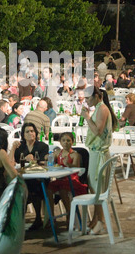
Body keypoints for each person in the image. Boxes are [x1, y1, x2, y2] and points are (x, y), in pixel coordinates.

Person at [82, 86, 117, 235]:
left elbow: (97, 131)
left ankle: (101, 222)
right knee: (94, 188)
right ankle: (96, 220)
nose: (86, 101)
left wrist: (87, 117)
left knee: (98, 189)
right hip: (95, 152)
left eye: (88, 98)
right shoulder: (98, 108)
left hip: (100, 154)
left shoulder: (102, 109)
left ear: (97, 96)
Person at [9, 122, 49, 231]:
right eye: (27, 131)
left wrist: (33, 160)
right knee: (18, 187)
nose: (30, 133)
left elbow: (43, 163)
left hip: (39, 177)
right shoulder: (19, 147)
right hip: (24, 177)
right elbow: (11, 162)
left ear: (35, 133)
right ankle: (20, 219)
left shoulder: (42, 146)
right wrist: (12, 148)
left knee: (32, 186)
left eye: (32, 131)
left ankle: (37, 219)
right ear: (23, 134)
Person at [47, 132, 88, 225]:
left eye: (68, 140)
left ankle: (69, 214)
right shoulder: (58, 153)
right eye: (63, 140)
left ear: (72, 142)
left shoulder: (75, 155)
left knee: (63, 191)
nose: (66, 143)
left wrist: (69, 164)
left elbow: (76, 169)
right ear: (60, 142)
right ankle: (51, 216)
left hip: (72, 180)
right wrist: (48, 157)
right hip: (60, 179)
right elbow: (50, 157)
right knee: (48, 189)